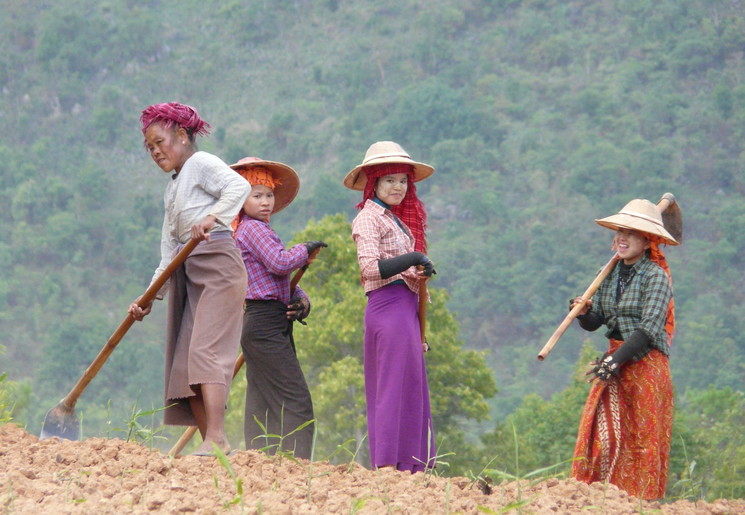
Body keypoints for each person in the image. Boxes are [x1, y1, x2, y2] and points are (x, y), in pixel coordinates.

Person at [128, 102, 250, 456]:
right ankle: (210, 443)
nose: (155, 151)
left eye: (159, 142)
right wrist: (148, 298)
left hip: (218, 266)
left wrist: (214, 217)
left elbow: (238, 187)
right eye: (149, 147)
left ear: (182, 135)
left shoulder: (200, 163)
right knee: (184, 360)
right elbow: (168, 253)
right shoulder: (172, 189)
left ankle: (217, 438)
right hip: (187, 272)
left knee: (206, 350)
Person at [568, 198, 678, 499]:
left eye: (631, 233)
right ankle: (599, 498)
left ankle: (641, 501)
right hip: (615, 361)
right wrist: (581, 313)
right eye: (619, 231)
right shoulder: (610, 274)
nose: (622, 238)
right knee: (599, 432)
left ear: (646, 242)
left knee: (642, 438)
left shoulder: (656, 277)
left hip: (646, 363)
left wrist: (615, 360)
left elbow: (649, 330)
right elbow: (596, 321)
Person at [344, 141, 437, 473]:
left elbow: (402, 269)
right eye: (389, 181)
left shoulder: (396, 221)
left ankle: (412, 467)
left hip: (406, 309)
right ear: (374, 184)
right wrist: (413, 259)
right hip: (387, 308)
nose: (397, 187)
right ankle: (387, 464)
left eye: (402, 180)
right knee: (391, 387)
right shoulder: (368, 219)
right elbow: (369, 268)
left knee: (411, 385)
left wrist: (417, 269)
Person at [231, 157, 326, 459]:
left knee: (263, 402)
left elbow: (277, 277)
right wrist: (305, 249)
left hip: (264, 322)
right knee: (295, 399)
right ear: (239, 199)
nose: (265, 202)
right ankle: (296, 469)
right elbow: (280, 262)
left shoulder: (254, 230)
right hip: (263, 322)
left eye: (268, 194)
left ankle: (261, 463)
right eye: (256, 195)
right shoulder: (252, 229)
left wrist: (301, 300)